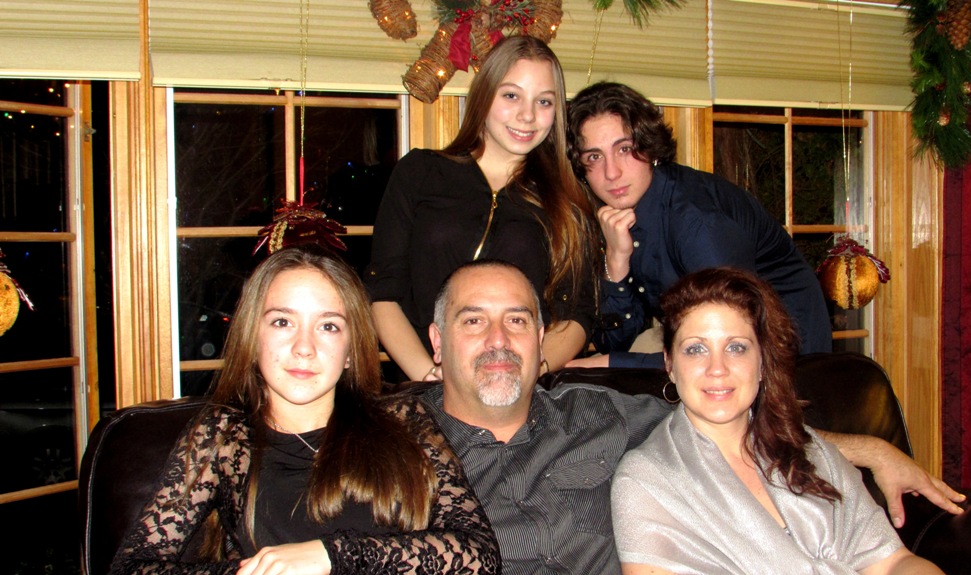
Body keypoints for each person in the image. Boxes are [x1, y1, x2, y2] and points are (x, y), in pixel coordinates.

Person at [421, 260, 963, 575]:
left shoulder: (598, 416)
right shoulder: (396, 445)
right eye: (474, 321)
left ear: (541, 339)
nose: (499, 340)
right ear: (438, 342)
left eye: (517, 320)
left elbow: (729, 420)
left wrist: (874, 449)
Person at [110, 247, 499, 575]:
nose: (304, 348)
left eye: (328, 327)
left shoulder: (404, 419)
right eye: (282, 322)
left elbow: (479, 554)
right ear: (253, 337)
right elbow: (131, 567)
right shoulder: (224, 436)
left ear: (350, 350)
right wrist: (262, 570)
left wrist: (330, 556)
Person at [611, 268, 942, 574]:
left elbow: (893, 562)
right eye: (696, 349)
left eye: (736, 348)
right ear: (670, 364)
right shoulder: (647, 480)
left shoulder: (812, 452)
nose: (717, 369)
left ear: (762, 363)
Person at [365, 35, 597, 383]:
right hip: (423, 385)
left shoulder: (569, 200)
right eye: (511, 95)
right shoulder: (420, 173)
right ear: (484, 95)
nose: (528, 115)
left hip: (517, 391)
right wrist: (429, 379)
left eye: (544, 101)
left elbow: (577, 313)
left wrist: (527, 375)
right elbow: (383, 292)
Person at [565, 81, 831, 369]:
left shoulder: (697, 222)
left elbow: (731, 343)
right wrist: (617, 261)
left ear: (650, 147)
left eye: (625, 149)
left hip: (786, 353)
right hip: (712, 343)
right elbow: (615, 339)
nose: (611, 173)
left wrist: (616, 363)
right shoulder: (616, 217)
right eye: (594, 157)